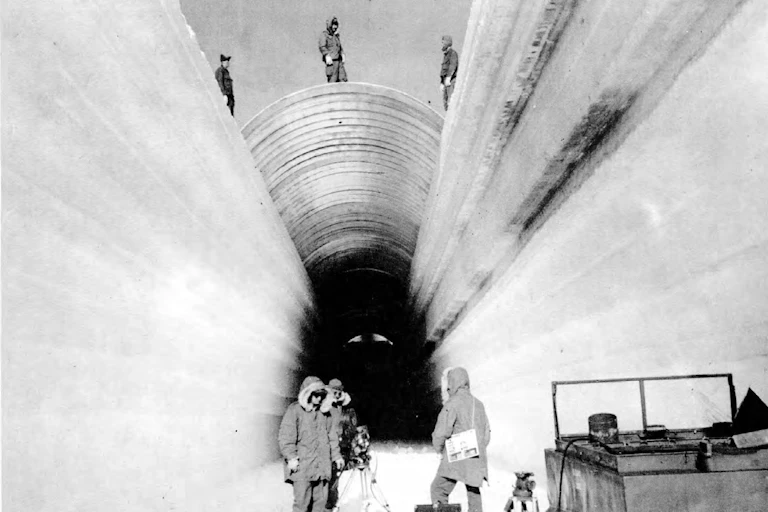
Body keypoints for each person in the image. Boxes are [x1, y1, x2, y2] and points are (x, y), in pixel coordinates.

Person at [279, 376, 344, 512]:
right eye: (316, 395)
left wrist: (337, 456)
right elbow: (286, 437)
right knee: (302, 505)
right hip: (302, 468)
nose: (319, 399)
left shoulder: (325, 414)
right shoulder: (295, 410)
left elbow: (332, 437)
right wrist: (291, 457)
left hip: (322, 467)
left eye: (322, 395)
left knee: (320, 505)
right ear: (307, 394)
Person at [430, 367, 491, 512]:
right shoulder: (479, 404)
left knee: (438, 489)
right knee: (473, 493)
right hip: (476, 456)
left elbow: (442, 431)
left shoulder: (451, 404)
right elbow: (486, 435)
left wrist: (439, 449)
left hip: (456, 455)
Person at [322, 378, 356, 510]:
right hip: (324, 449)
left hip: (338, 447)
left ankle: (331, 505)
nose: (336, 395)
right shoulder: (324, 406)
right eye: (333, 392)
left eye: (339, 392)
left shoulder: (342, 407)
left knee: (334, 481)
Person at [319, 16, 347, 83]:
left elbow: (339, 47)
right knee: (332, 81)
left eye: (336, 25)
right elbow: (322, 46)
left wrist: (342, 54)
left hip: (339, 61)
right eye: (333, 24)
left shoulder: (336, 37)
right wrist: (326, 55)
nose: (335, 27)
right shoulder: (325, 35)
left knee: (342, 79)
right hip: (332, 63)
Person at [439, 35, 459, 111]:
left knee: (450, 102)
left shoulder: (453, 53)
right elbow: (443, 71)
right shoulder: (446, 55)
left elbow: (452, 66)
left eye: (443, 43)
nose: (442, 44)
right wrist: (442, 82)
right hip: (445, 82)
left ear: (447, 43)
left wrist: (448, 78)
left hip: (451, 81)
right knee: (445, 103)